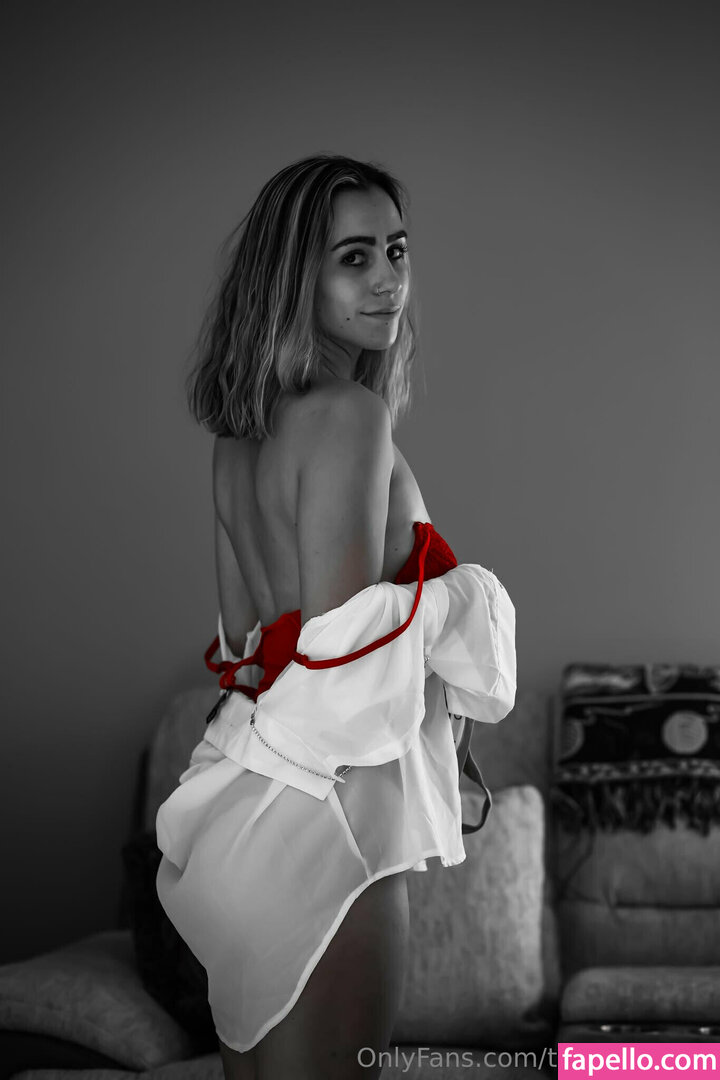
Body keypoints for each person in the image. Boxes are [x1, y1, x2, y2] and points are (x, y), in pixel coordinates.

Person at [155, 154, 516, 1080]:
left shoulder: (237, 437)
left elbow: (244, 652)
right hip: (332, 830)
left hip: (245, 822)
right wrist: (454, 609)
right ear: (293, 278)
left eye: (396, 250)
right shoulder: (351, 417)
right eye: (353, 258)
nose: (388, 279)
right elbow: (345, 667)